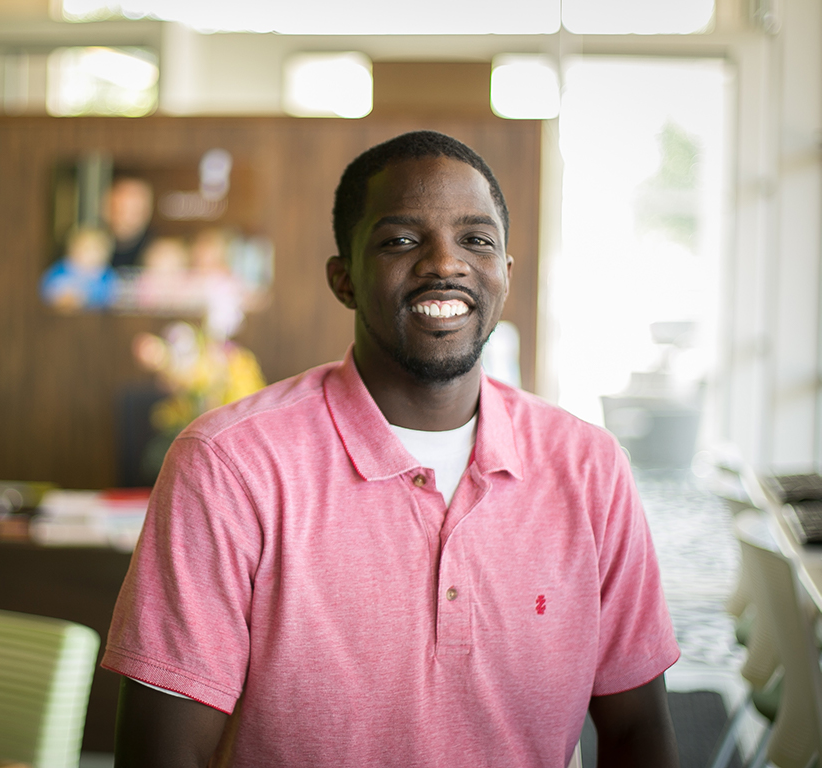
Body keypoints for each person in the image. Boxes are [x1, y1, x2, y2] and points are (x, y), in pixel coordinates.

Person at [103, 131, 681, 767]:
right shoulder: (228, 465)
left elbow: (637, 735)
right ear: (343, 279)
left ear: (505, 276)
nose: (444, 263)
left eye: (476, 240)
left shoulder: (589, 468)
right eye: (401, 240)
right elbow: (161, 756)